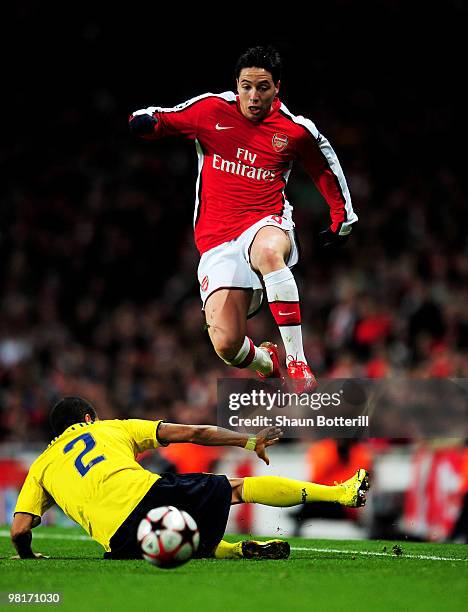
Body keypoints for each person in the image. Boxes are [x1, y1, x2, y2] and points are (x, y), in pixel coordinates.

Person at [128, 46, 357, 389]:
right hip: (217, 240)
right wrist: (143, 123)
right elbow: (163, 118)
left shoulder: (294, 130)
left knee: (267, 251)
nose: (253, 96)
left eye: (262, 87)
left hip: (267, 221)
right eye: (246, 86)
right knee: (226, 345)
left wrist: (343, 218)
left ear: (277, 87)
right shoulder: (211, 110)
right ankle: (267, 360)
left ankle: (298, 360)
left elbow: (325, 169)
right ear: (236, 85)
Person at [11, 397, 369, 560]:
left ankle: (233, 550)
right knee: (236, 489)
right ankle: (341, 494)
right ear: (89, 418)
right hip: (145, 495)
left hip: (119, 543)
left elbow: (20, 531)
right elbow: (194, 432)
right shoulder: (111, 428)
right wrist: (248, 440)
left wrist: (28, 556)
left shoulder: (40, 466)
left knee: (176, 536)